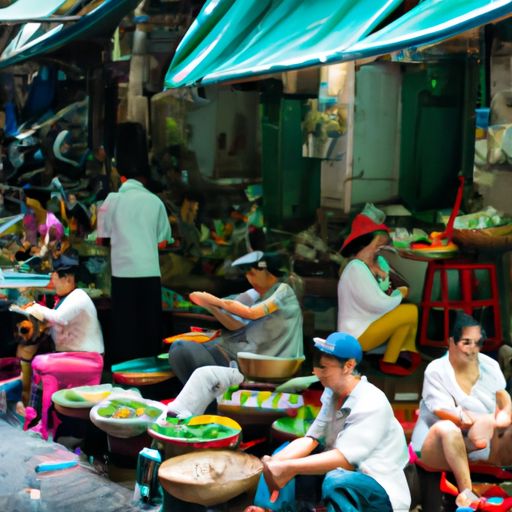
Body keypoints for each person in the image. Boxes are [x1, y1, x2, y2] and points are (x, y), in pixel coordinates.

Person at [247, 332, 411, 512]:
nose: (318, 373)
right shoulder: (332, 393)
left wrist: (288, 468)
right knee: (282, 453)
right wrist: (274, 463)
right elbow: (312, 439)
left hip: (377, 490)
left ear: (348, 366)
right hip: (343, 476)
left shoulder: (372, 402)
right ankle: (267, 509)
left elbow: (345, 460)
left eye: (325, 368)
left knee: (337, 479)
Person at [167, 250, 303, 405]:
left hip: (266, 364)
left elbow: (250, 313)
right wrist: (210, 306)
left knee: (184, 351)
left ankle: (213, 401)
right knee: (183, 350)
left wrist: (215, 301)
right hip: (244, 355)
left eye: (252, 273)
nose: (249, 278)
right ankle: (208, 402)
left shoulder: (283, 291)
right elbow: (235, 322)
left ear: (268, 273)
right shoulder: (255, 293)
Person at [410, 312, 512, 509]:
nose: (472, 349)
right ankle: (466, 494)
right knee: (448, 428)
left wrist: (506, 413)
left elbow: (502, 395)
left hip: (479, 442)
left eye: (477, 343)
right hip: (434, 445)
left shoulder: (489, 365)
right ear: (451, 342)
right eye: (466, 342)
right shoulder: (436, 370)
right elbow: (447, 414)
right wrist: (487, 421)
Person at [97, 122, 173, 364]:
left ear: (120, 176)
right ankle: (150, 383)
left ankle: (125, 382)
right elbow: (162, 244)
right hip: (150, 277)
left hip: (122, 278)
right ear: (144, 176)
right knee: (148, 335)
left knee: (125, 335)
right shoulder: (156, 203)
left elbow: (102, 240)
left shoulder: (111, 201)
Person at [338, 211, 419, 375]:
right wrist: (398, 295)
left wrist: (385, 274)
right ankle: (405, 352)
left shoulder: (372, 265)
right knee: (410, 312)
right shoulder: (356, 269)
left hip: (370, 323)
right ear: (364, 245)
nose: (379, 250)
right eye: (377, 245)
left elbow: (395, 284)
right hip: (358, 334)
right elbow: (376, 303)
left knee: (407, 316)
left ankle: (393, 358)